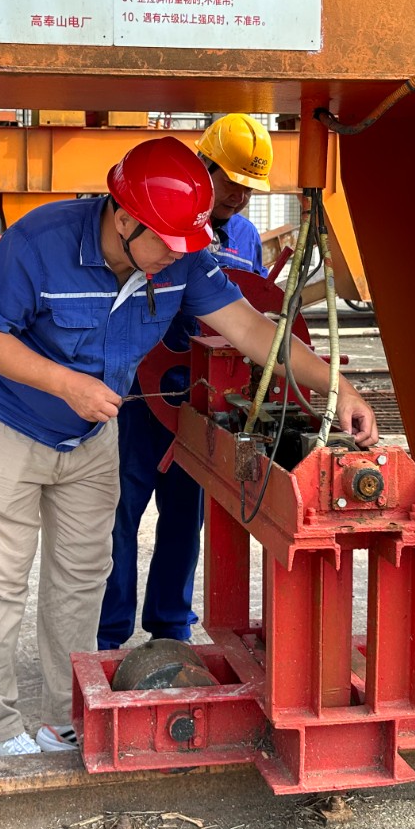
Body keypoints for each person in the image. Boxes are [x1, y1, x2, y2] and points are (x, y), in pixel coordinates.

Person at [0, 135, 377, 760]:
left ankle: (62, 717)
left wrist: (336, 385)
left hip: (91, 433)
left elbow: (252, 329)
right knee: (0, 579)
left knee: (80, 578)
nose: (176, 257)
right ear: (124, 218)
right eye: (166, 243)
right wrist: (67, 384)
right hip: (6, 427)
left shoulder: (180, 258)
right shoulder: (39, 243)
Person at [98, 114, 273, 653]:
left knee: (185, 517)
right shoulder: (153, 220)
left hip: (202, 405)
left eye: (250, 188)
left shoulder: (245, 238)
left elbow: (250, 317)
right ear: (204, 165)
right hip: (139, 397)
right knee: (119, 515)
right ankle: (108, 634)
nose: (240, 197)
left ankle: (170, 632)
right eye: (233, 182)